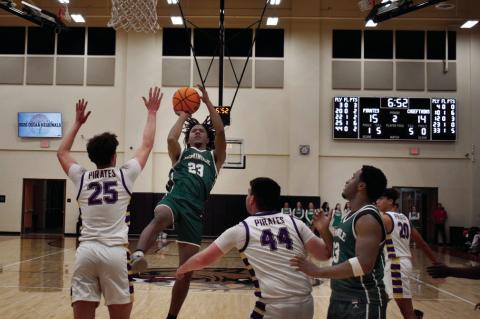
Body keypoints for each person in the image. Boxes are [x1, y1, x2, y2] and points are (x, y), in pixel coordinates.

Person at [57, 87, 163, 319]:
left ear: (92, 158)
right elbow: (146, 145)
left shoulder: (81, 177)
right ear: (114, 157)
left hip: (85, 253)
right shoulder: (124, 174)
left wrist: (77, 123)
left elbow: (62, 152)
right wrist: (152, 112)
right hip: (115, 254)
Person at [130, 85, 226, 319]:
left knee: (185, 271)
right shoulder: (180, 153)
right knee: (161, 216)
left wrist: (207, 103)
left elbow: (221, 132)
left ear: (207, 137)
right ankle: (139, 254)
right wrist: (185, 112)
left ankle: (172, 316)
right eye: (194, 131)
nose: (197, 132)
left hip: (195, 210)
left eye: (202, 131)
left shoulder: (214, 158)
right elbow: (171, 137)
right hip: (175, 198)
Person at [176, 177, 331, 319]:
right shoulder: (295, 222)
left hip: (274, 307)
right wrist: (324, 230)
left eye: (248, 193)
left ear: (252, 199)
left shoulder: (243, 229)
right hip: (306, 304)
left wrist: (183, 268)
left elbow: (204, 258)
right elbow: (325, 254)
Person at [291, 165, 389, 319]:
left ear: (361, 186)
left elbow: (363, 264)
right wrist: (324, 230)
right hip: (340, 296)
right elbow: (339, 252)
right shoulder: (349, 216)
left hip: (363, 300)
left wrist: (317, 271)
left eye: (352, 178)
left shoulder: (367, 218)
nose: (347, 180)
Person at [376, 189, 438, 319]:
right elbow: (422, 243)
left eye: (381, 198)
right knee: (393, 305)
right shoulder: (404, 218)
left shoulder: (385, 218)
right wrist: (436, 262)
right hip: (403, 264)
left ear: (391, 201)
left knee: (380, 302)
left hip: (395, 265)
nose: (377, 201)